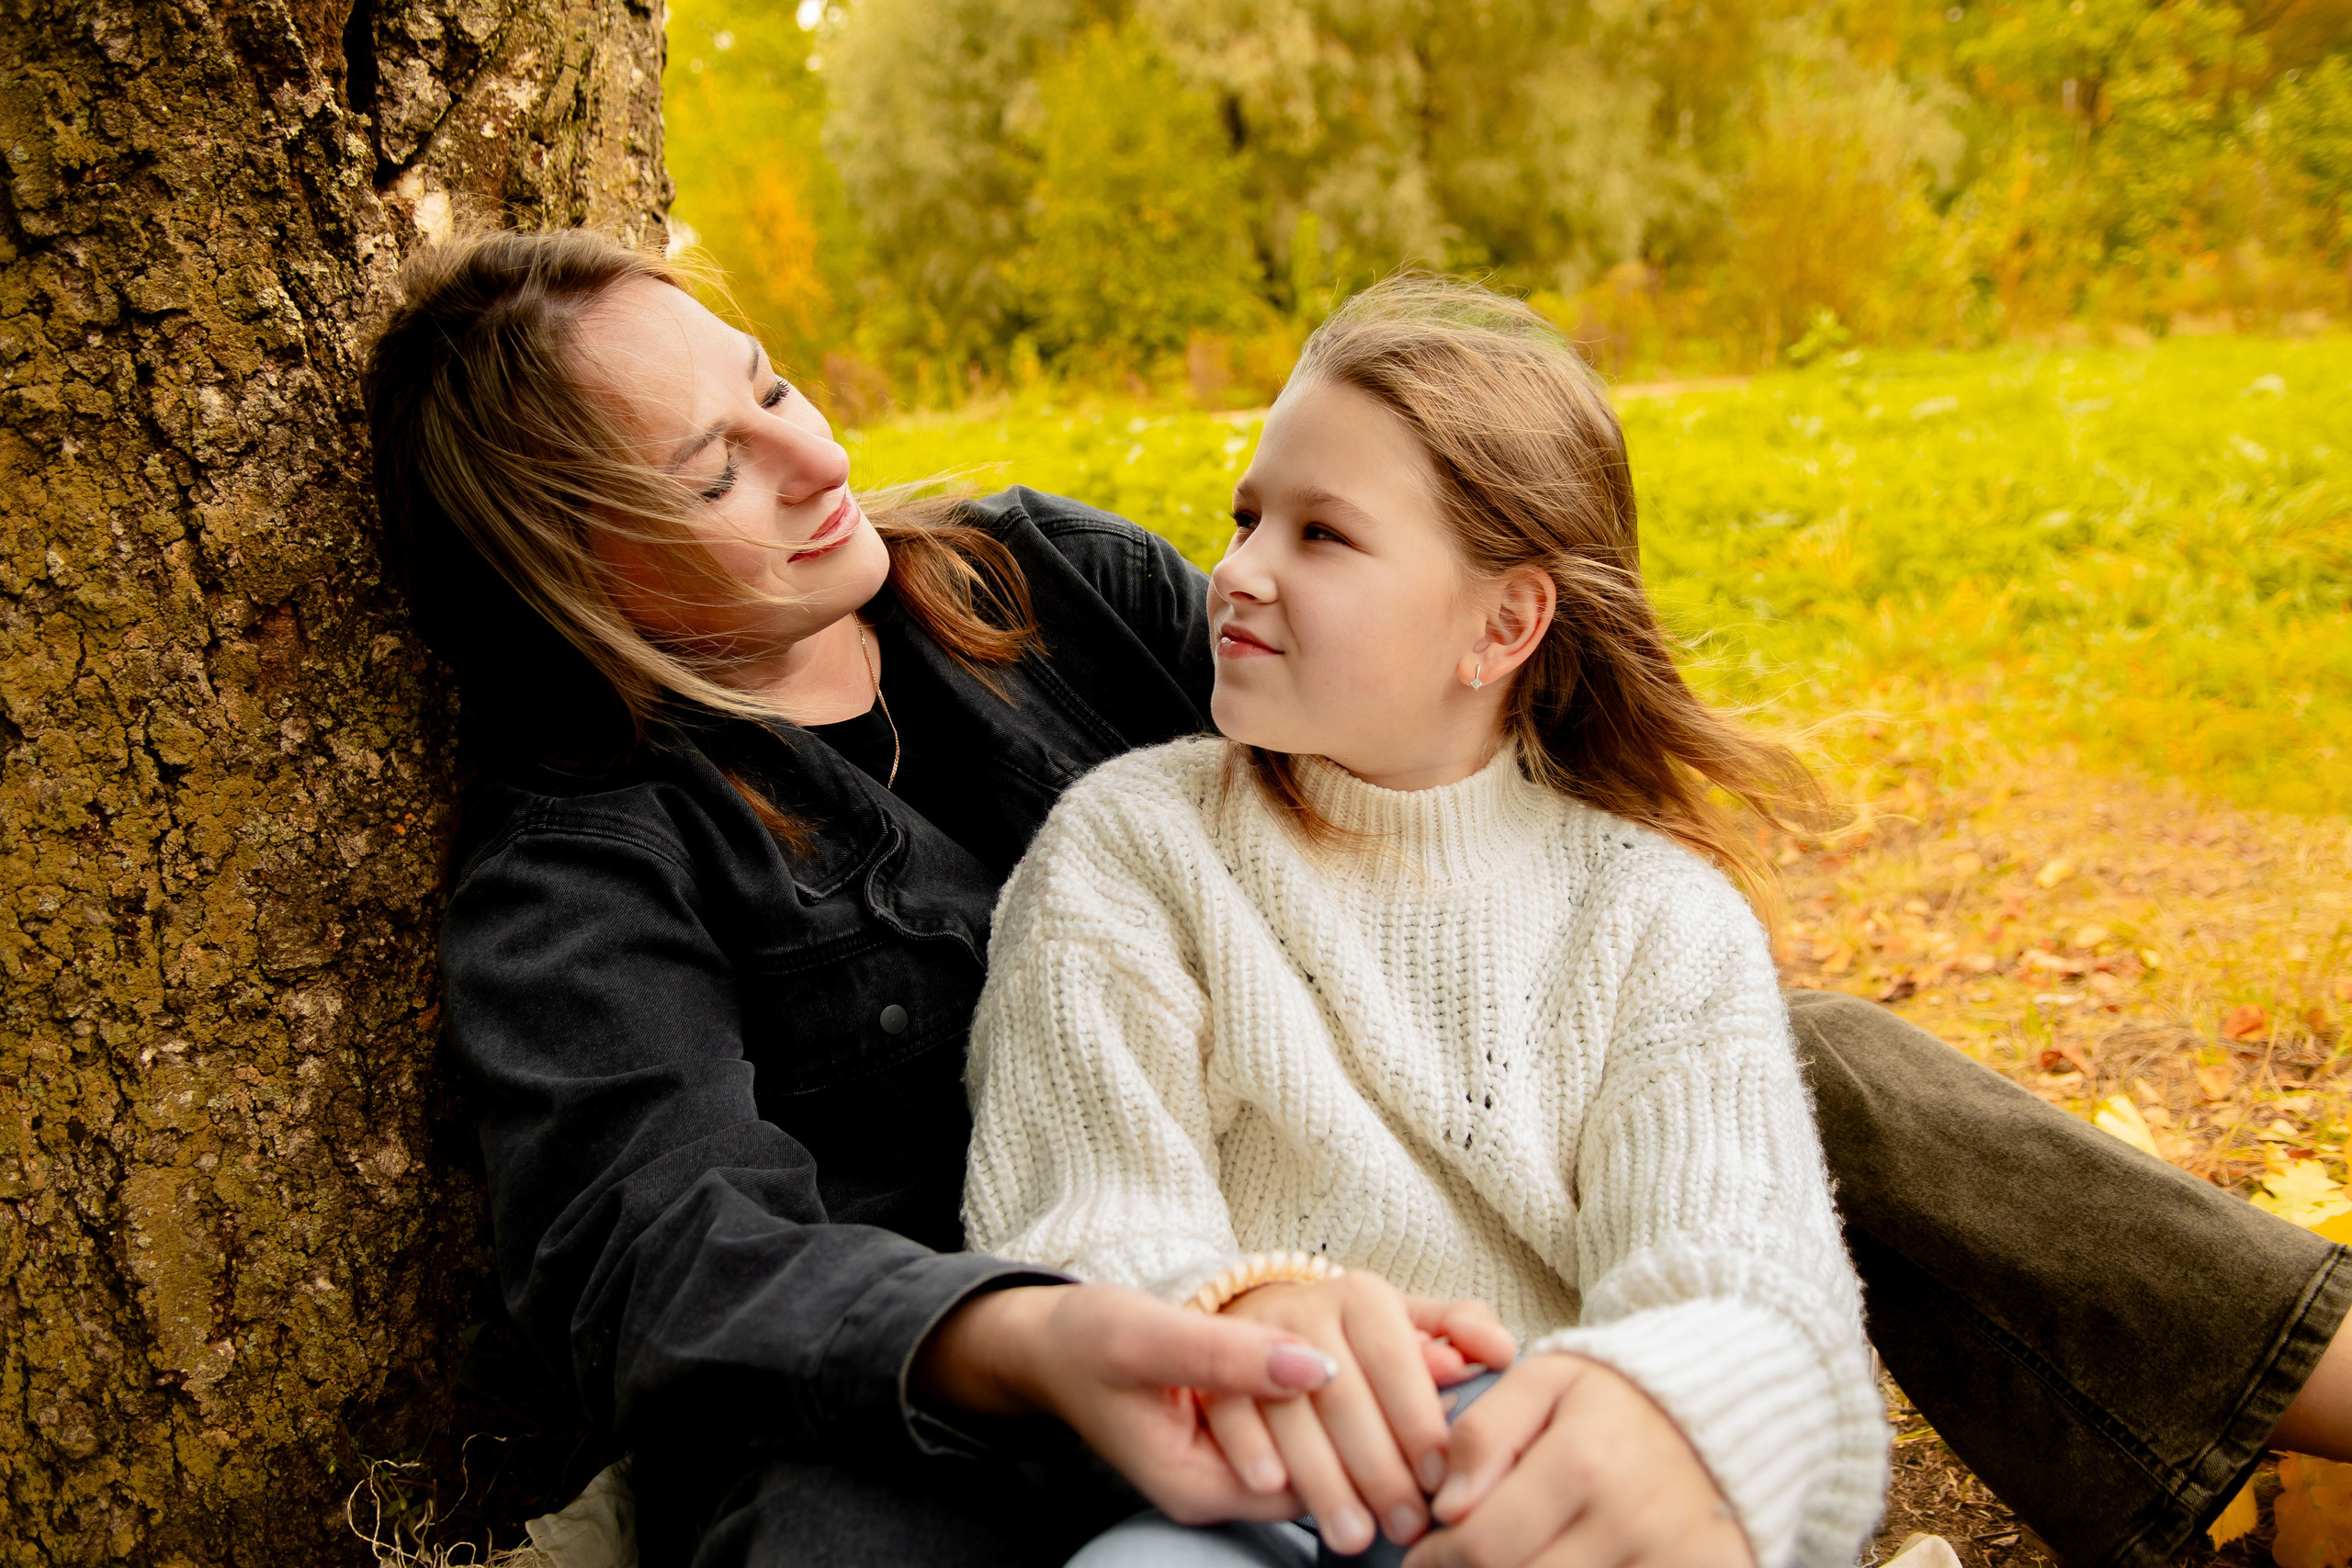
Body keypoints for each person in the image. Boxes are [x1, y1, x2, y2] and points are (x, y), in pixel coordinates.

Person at [364, 225, 2352, 1568]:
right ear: (578, 560)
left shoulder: (1030, 583)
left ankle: (2305, 1380)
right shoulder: (586, 853)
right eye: (707, 475)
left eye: (772, 386)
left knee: (1794, 1066)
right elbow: (657, 1244)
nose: (805, 462)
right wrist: (1041, 1334)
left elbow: (1379, 728)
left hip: (1306, 1203)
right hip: (968, 1368)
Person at [962, 277, 1885, 1568]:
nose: (1236, 573)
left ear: (1503, 623)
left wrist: (1675, 1416)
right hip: (1252, 1492)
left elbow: (1749, 1276)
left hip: (1539, 1493)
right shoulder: (1130, 850)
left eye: (1321, 535)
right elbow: (1073, 1225)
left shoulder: (1658, 916)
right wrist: (1244, 1308)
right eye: (1245, 518)